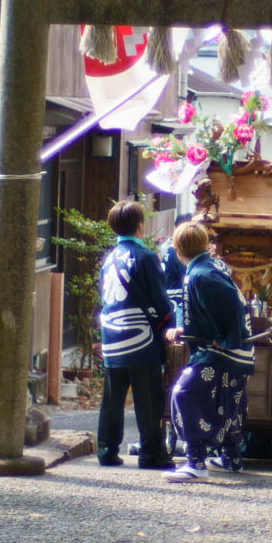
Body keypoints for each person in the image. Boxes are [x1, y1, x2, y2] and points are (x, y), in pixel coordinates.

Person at [166, 221, 252, 483]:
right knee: (227, 404)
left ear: (178, 250)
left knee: (184, 394)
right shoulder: (209, 267)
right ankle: (230, 457)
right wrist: (185, 329)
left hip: (223, 353)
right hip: (232, 353)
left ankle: (196, 462)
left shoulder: (203, 274)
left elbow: (231, 306)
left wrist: (226, 339)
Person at [97, 201, 176, 469]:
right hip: (139, 336)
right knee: (148, 398)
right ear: (140, 226)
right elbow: (160, 300)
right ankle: (151, 453)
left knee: (112, 397)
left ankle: (106, 450)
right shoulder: (145, 257)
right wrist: (171, 324)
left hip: (111, 336)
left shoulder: (109, 258)